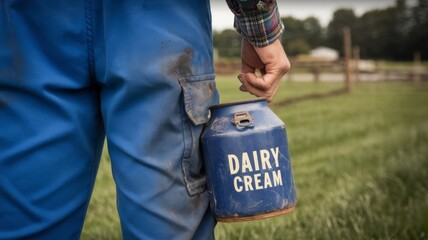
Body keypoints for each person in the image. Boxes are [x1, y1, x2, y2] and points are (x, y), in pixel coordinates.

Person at [0, 0, 290, 239]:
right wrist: (259, 23)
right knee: (166, 227)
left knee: (25, 222)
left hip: (29, 26)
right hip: (157, 19)